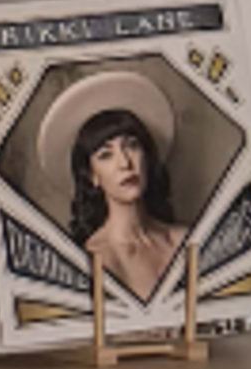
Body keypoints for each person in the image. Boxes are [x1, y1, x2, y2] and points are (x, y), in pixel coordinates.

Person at [67, 101, 191, 310]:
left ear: (147, 157)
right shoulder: (91, 261)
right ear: (92, 176)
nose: (125, 163)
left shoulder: (185, 241)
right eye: (106, 155)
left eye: (131, 145)